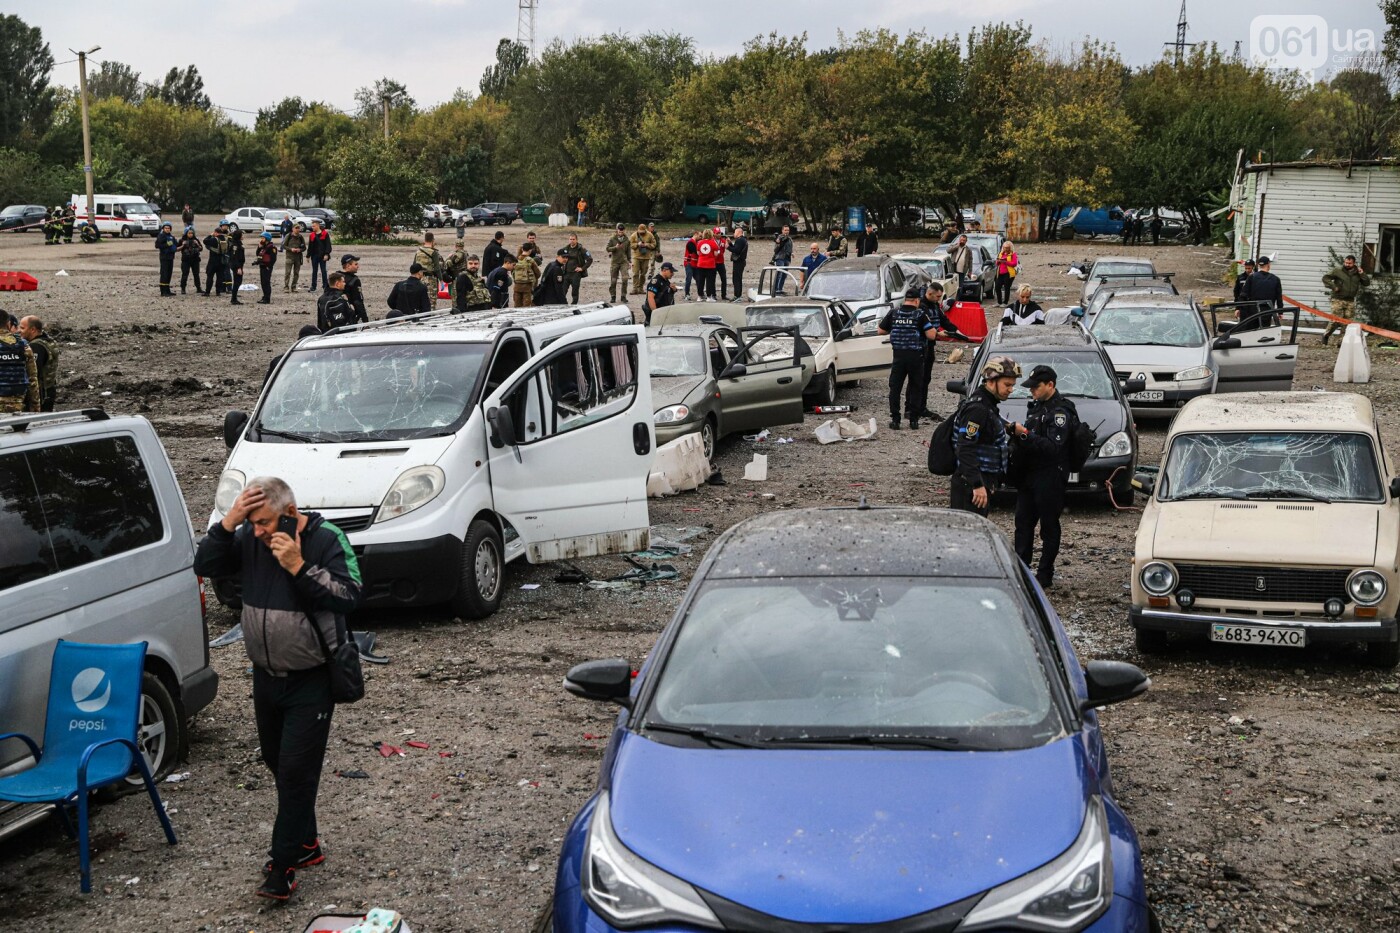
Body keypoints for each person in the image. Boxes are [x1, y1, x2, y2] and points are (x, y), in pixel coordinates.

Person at [192, 477, 362, 903]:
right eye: (252, 522)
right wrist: (227, 524)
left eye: (265, 522)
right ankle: (307, 844)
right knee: (275, 760)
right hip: (265, 675)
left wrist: (299, 567)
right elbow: (205, 565)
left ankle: (282, 867)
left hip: (312, 678)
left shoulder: (325, 538)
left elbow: (350, 595)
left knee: (294, 772)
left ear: (290, 513)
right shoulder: (248, 536)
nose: (260, 531)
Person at [1012, 365, 1078, 588]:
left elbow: (1052, 448)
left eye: (1036, 387)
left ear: (1050, 385)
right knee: (1023, 524)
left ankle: (1045, 573)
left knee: (1049, 526)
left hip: (1050, 476)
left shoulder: (1060, 413)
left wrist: (1025, 435)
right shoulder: (1037, 408)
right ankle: (1022, 570)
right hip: (1029, 475)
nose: (1032, 391)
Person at [951, 356, 1020, 516]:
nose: (1011, 390)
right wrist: (977, 485)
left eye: (1012, 385)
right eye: (1007, 385)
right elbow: (965, 447)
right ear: (990, 382)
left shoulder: (988, 406)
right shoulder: (978, 409)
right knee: (969, 534)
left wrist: (1010, 428)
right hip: (971, 484)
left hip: (981, 480)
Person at [878, 286, 938, 430]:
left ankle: (895, 420)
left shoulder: (894, 313)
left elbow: (880, 330)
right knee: (916, 387)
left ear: (906, 300)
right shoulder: (920, 315)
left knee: (895, 388)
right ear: (917, 300)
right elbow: (931, 335)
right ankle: (913, 420)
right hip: (916, 357)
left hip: (898, 356)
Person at [917, 283, 963, 422]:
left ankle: (921, 407)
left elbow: (944, 320)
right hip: (921, 345)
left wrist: (956, 331)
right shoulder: (921, 307)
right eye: (937, 296)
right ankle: (913, 408)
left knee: (926, 378)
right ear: (929, 293)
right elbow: (925, 328)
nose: (939, 299)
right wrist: (938, 333)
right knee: (919, 378)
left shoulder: (934, 305)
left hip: (930, 345)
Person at [1321, 254, 1370, 345]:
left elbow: (1366, 283)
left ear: (1354, 263)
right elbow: (1325, 278)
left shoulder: (1357, 273)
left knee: (1348, 322)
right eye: (1346, 262)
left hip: (1350, 300)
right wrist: (1334, 287)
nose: (1347, 264)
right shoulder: (1337, 271)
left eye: (1349, 263)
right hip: (1337, 299)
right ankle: (1326, 335)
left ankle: (1341, 342)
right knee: (1336, 319)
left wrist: (1362, 274)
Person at [0, 313, 41, 414]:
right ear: (8, 323)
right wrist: (35, 408)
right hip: (17, 404)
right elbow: (33, 380)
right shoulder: (23, 345)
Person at [18, 315, 59, 412]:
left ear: (33, 330)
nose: (19, 330)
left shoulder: (36, 347)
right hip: (49, 389)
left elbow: (34, 372)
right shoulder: (49, 341)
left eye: (23, 328)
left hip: (41, 394)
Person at [1239, 255, 1283, 329]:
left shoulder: (1251, 277)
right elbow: (1279, 297)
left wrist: (1239, 308)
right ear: (1268, 265)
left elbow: (1243, 294)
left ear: (1259, 265)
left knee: (1251, 331)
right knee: (1264, 331)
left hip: (1253, 309)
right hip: (1267, 310)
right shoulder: (1275, 279)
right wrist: (1280, 312)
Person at [413, 232, 445, 312]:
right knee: (431, 301)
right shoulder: (433, 252)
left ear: (425, 240)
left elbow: (414, 265)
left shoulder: (418, 252)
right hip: (431, 279)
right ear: (433, 241)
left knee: (419, 299)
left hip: (419, 278)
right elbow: (437, 268)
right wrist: (441, 281)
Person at [605, 223, 632, 303]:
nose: (621, 232)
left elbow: (628, 251)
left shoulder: (627, 240)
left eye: (622, 231)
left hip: (624, 262)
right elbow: (607, 248)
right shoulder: (612, 238)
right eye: (619, 231)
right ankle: (613, 296)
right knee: (613, 280)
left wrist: (630, 261)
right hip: (615, 262)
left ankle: (623, 296)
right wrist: (615, 247)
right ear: (617, 230)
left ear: (624, 230)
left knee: (625, 279)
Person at [562, 233, 591, 304]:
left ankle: (574, 305)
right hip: (566, 273)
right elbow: (560, 259)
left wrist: (582, 268)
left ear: (577, 240)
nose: (572, 241)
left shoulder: (582, 249)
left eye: (573, 239)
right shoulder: (565, 249)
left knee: (575, 291)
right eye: (570, 239)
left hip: (576, 274)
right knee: (563, 290)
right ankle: (562, 304)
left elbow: (590, 259)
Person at [629, 222, 656, 296]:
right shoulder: (634, 235)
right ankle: (635, 288)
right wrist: (637, 244)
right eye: (640, 232)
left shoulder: (650, 235)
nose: (641, 233)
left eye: (643, 232)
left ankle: (641, 288)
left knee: (643, 274)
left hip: (646, 257)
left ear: (645, 230)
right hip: (636, 257)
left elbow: (654, 244)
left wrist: (646, 245)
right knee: (635, 273)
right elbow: (630, 244)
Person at [339, 254, 368, 323]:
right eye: (355, 264)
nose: (358, 266)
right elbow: (358, 302)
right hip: (349, 315)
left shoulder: (335, 278)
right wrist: (365, 321)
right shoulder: (354, 281)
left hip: (335, 315)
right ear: (348, 266)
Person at [694, 228, 719, 301]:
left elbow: (698, 253)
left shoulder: (699, 243)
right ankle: (709, 297)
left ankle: (699, 296)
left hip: (700, 264)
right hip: (710, 265)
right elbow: (715, 254)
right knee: (710, 281)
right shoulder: (713, 243)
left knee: (700, 281)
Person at [177, 225, 204, 295]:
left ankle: (198, 288)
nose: (190, 235)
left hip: (195, 260)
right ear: (186, 233)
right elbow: (176, 249)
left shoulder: (196, 240)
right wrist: (183, 245)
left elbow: (201, 249)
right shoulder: (182, 240)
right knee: (185, 274)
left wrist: (197, 244)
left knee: (196, 274)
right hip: (186, 260)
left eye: (192, 233)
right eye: (189, 233)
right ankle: (183, 289)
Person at [306, 220, 332, 291]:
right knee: (314, 271)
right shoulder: (312, 235)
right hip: (314, 255)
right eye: (312, 226)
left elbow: (328, 245)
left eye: (313, 226)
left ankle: (325, 286)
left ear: (318, 226)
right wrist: (308, 256)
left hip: (322, 255)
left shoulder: (325, 234)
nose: (312, 227)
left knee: (323, 271)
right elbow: (310, 246)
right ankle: (313, 286)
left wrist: (327, 254)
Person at [155, 221, 178, 297]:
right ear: (163, 228)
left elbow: (176, 244)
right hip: (164, 257)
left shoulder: (171, 237)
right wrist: (167, 244)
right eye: (166, 228)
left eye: (168, 228)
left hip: (170, 257)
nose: (167, 229)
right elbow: (157, 245)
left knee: (169, 274)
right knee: (164, 274)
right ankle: (163, 291)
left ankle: (167, 290)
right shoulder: (161, 236)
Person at [513, 243, 540, 308]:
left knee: (517, 305)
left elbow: (512, 271)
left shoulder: (516, 259)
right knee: (526, 306)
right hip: (527, 286)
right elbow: (538, 273)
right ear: (530, 250)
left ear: (522, 249)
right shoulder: (530, 260)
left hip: (517, 285)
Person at [255, 233, 278, 304]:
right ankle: (264, 296)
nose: (261, 240)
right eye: (261, 238)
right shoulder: (264, 246)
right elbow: (258, 254)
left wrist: (269, 266)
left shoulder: (271, 247)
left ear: (267, 239)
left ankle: (267, 298)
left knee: (266, 282)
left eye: (263, 238)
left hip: (267, 267)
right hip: (262, 266)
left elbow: (273, 258)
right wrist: (259, 247)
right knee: (263, 283)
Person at [282, 224, 306, 292]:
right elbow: (283, 245)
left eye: (299, 228)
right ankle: (286, 287)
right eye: (296, 228)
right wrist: (291, 249)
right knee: (287, 272)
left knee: (296, 273)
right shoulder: (288, 236)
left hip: (298, 258)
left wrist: (300, 250)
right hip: (289, 257)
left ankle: (293, 287)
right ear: (293, 229)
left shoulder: (300, 237)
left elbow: (304, 248)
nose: (298, 229)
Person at [204, 226, 227, 296]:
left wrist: (210, 235)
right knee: (220, 277)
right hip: (222, 261)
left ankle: (207, 292)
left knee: (210, 276)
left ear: (216, 232)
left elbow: (205, 241)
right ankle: (218, 292)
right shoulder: (225, 239)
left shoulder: (214, 239)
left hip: (213, 261)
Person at [771, 224, 794, 295]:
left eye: (788, 230)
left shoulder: (790, 239)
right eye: (785, 230)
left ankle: (780, 289)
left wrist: (792, 253)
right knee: (779, 274)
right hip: (780, 258)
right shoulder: (780, 237)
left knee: (784, 275)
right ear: (782, 230)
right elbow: (775, 248)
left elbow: (790, 248)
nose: (787, 231)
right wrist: (777, 242)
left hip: (787, 258)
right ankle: (775, 290)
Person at [727, 225, 748, 300]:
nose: (734, 234)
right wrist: (730, 243)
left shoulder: (740, 240)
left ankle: (737, 296)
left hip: (739, 262)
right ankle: (738, 295)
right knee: (738, 278)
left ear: (739, 232)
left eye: (735, 232)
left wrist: (728, 247)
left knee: (736, 279)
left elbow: (736, 250)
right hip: (741, 261)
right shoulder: (743, 240)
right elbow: (736, 248)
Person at [443, 237, 467, 302]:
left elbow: (448, 263)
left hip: (457, 278)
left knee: (455, 297)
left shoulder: (457, 254)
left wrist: (448, 257)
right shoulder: (466, 253)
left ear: (456, 245)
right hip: (464, 276)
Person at [228, 229, 247, 305]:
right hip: (236, 265)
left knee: (239, 281)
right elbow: (234, 257)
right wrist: (238, 268)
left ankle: (234, 298)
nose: (243, 236)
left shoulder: (239, 243)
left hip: (239, 265)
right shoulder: (235, 245)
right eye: (241, 235)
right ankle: (233, 299)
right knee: (237, 282)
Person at [713, 226, 730, 300]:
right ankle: (713, 294)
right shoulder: (711, 241)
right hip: (713, 262)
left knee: (724, 278)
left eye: (719, 233)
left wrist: (729, 243)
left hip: (721, 262)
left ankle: (724, 295)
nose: (719, 234)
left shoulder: (723, 240)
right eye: (717, 233)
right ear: (714, 234)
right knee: (712, 279)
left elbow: (726, 248)